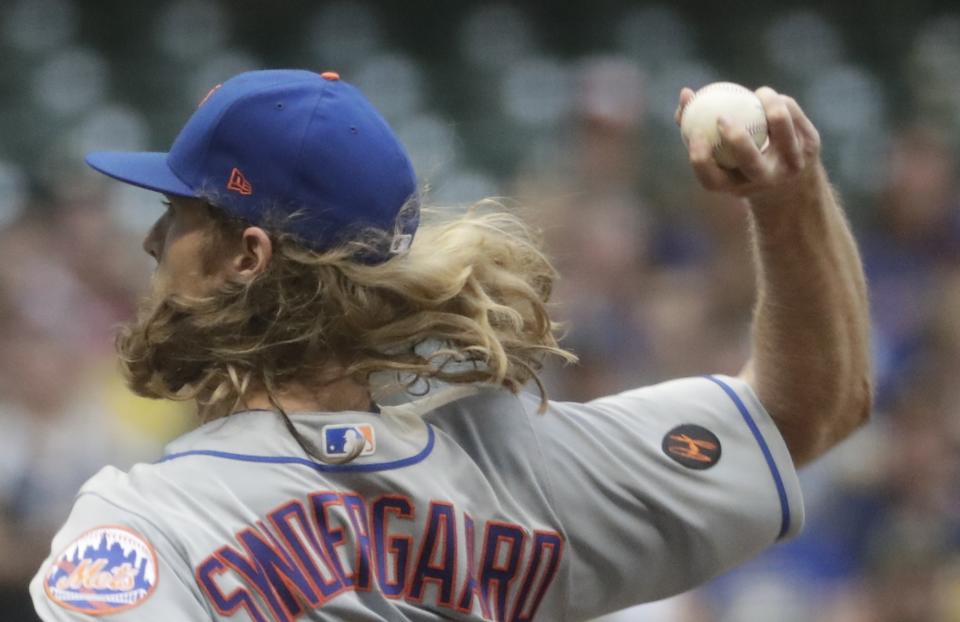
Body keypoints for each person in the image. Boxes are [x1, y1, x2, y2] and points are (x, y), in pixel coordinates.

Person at [30, 69, 871, 621]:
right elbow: (810, 412)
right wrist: (787, 197)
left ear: (249, 256)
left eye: (178, 217)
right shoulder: (513, 463)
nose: (153, 244)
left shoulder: (142, 526)